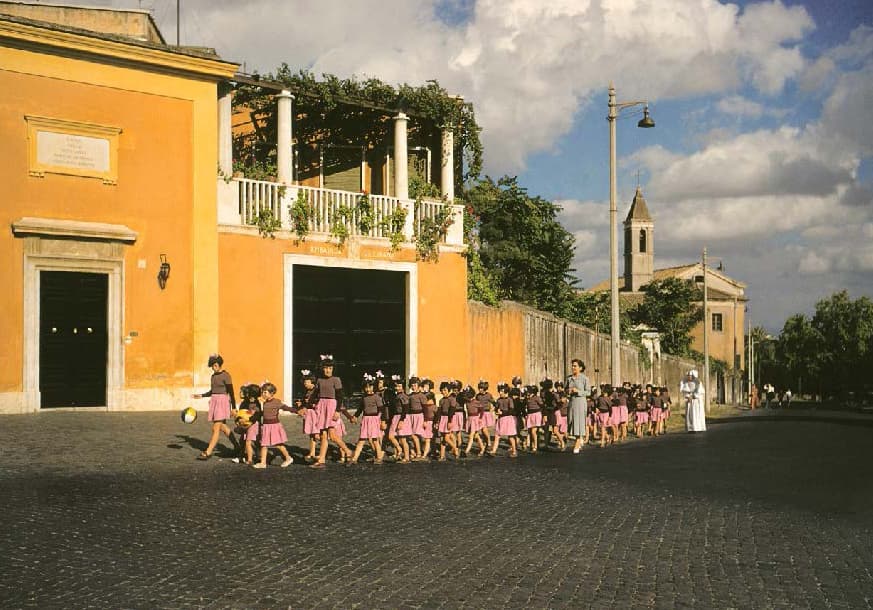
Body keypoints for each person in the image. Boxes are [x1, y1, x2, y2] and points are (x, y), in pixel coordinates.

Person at [192, 354, 238, 460]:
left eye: (214, 366)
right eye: (212, 366)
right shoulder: (213, 376)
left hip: (222, 402)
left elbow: (231, 392)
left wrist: (234, 407)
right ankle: (238, 447)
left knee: (215, 427)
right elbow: (213, 391)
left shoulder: (226, 375)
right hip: (214, 402)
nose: (213, 368)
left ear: (218, 364)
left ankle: (208, 452)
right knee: (223, 427)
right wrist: (201, 395)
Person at [310, 354, 344, 469]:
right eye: (325, 368)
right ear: (322, 369)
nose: (328, 370)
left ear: (333, 369)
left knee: (332, 435)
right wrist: (308, 405)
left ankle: (347, 451)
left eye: (330, 368)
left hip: (331, 407)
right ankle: (321, 460)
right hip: (322, 408)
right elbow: (314, 394)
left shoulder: (336, 380)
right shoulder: (319, 380)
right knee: (323, 435)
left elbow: (340, 397)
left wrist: (337, 411)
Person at [253, 381, 294, 469]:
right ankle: (263, 463)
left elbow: (286, 408)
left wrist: (297, 411)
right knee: (264, 444)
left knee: (278, 444)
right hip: (266, 426)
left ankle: (288, 458)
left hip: (274, 426)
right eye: (262, 392)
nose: (263, 394)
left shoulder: (276, 402)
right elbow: (263, 413)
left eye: (265, 392)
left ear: (271, 393)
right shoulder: (264, 402)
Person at [349, 374, 385, 465]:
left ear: (374, 387)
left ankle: (379, 457)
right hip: (365, 420)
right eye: (366, 387)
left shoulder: (377, 397)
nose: (368, 389)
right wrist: (355, 416)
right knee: (361, 439)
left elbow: (382, 410)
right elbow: (360, 409)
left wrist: (382, 421)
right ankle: (354, 458)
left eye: (370, 387)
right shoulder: (364, 398)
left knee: (375, 440)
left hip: (374, 420)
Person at [566, 359, 590, 454]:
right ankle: (579, 439)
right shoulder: (569, 378)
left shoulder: (584, 379)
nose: (573, 367)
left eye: (575, 366)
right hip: (572, 402)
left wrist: (578, 391)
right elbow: (565, 389)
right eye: (572, 366)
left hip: (580, 402)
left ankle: (577, 442)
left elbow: (588, 392)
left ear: (580, 368)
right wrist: (568, 391)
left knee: (579, 422)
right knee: (571, 420)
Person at [490, 382, 518, 457]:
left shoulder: (509, 400)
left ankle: (514, 451)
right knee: (497, 435)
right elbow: (496, 408)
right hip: (501, 419)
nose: (500, 393)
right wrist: (496, 410)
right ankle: (493, 451)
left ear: (506, 392)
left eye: (502, 391)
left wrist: (502, 412)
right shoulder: (499, 400)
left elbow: (511, 410)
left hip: (508, 419)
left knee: (511, 436)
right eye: (499, 391)